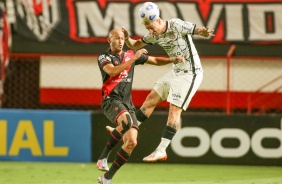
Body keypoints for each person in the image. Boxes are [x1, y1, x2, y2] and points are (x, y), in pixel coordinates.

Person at [113, 2, 214, 162]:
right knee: (150, 100)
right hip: (176, 71)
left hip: (191, 73)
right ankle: (124, 129)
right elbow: (135, 45)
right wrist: (127, 38)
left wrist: (204, 32)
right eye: (147, 29)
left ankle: (162, 149)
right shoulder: (154, 34)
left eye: (151, 27)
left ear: (159, 20)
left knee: (174, 109)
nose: (150, 32)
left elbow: (197, 30)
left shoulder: (176, 24)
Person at [96, 28, 185, 184]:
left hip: (127, 103)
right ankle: (103, 157)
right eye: (116, 38)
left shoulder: (130, 54)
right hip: (111, 100)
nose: (120, 41)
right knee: (127, 122)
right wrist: (133, 59)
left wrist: (172, 60)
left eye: (122, 38)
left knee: (131, 142)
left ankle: (107, 177)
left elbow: (155, 61)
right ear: (109, 40)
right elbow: (112, 72)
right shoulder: (104, 57)